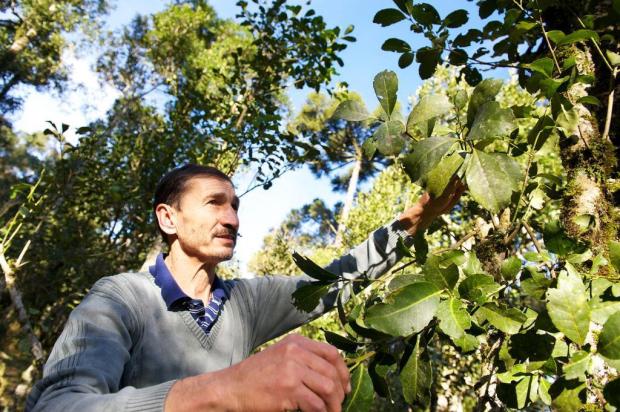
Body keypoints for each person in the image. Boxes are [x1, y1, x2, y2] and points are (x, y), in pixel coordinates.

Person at [26, 164, 463, 412]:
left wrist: (414, 223)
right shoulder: (121, 299)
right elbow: (57, 406)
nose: (233, 219)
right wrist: (225, 389)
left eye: (235, 206)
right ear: (168, 219)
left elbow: (332, 283)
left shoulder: (246, 303)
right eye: (215, 203)